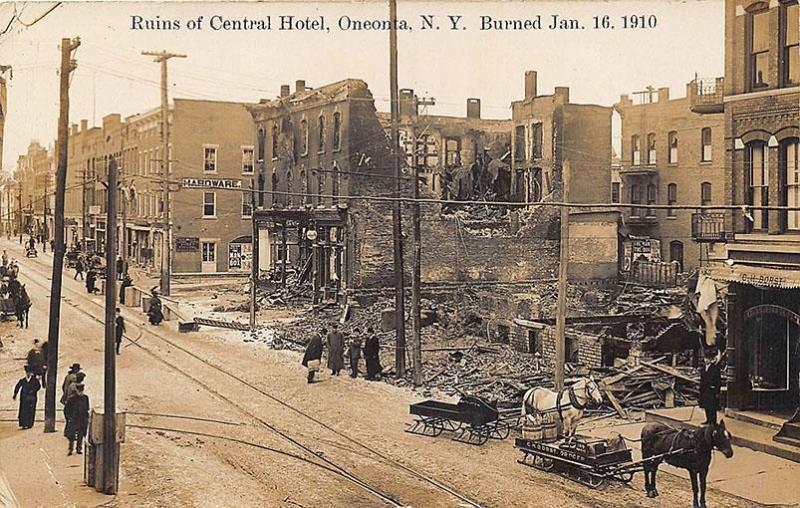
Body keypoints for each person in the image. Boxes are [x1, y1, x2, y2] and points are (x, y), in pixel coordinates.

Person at [64, 383, 89, 455]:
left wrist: (86, 418)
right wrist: (68, 419)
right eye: (79, 391)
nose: (81, 392)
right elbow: (66, 410)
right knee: (71, 435)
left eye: (82, 391)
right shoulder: (71, 399)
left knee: (80, 434)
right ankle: (70, 448)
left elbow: (86, 408)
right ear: (76, 390)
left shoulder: (85, 398)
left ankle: (79, 448)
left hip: (82, 419)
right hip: (74, 419)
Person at [699, 348, 722, 425]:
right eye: (705, 358)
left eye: (708, 358)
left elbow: (718, 381)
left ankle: (713, 421)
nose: (706, 360)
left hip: (712, 389)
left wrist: (717, 391)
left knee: (712, 407)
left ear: (711, 359)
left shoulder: (715, 368)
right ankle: (708, 419)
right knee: (706, 406)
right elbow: (702, 380)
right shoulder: (703, 368)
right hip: (704, 390)